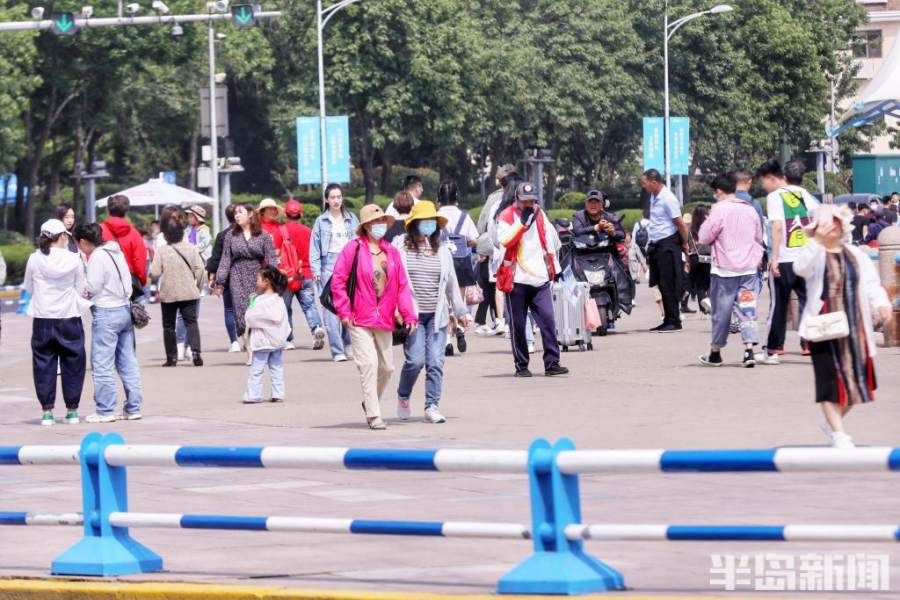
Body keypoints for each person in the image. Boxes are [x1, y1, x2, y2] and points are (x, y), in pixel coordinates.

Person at [793, 205, 892, 448]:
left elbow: (871, 283)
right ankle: (838, 433)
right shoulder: (813, 252)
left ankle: (831, 424)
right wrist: (815, 241)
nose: (832, 228)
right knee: (829, 383)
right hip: (823, 326)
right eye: (827, 223)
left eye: (836, 222)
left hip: (856, 326)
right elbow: (800, 268)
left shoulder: (855, 253)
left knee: (859, 383)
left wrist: (881, 304)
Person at [330, 204, 417, 430]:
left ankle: (370, 402)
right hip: (359, 317)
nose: (380, 226)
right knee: (368, 364)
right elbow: (338, 281)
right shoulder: (353, 249)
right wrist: (344, 311)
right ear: (366, 226)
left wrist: (409, 314)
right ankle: (373, 414)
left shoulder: (392, 252)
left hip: (384, 317)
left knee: (387, 368)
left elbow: (402, 287)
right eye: (375, 223)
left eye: (382, 223)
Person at [393, 201, 469, 424]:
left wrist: (461, 311)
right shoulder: (401, 249)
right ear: (413, 225)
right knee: (415, 361)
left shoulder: (443, 251)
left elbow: (451, 284)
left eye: (431, 223)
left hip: (438, 316)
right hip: (412, 316)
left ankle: (432, 405)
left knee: (436, 361)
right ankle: (403, 395)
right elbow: (395, 283)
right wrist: (397, 309)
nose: (427, 227)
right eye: (422, 223)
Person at [496, 182, 568, 378]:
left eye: (532, 200)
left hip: (539, 278)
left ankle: (552, 363)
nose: (529, 204)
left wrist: (556, 268)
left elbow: (549, 240)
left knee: (548, 320)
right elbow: (505, 240)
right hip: (516, 279)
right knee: (518, 325)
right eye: (525, 201)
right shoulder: (506, 216)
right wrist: (521, 223)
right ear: (517, 199)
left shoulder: (539, 213)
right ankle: (521, 365)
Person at [73, 223, 144, 422]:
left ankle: (105, 411)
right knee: (128, 362)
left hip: (106, 311)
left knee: (102, 363)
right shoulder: (116, 251)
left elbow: (93, 286)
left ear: (84, 241)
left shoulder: (97, 256)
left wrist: (81, 284)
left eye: (80, 245)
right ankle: (133, 407)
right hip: (124, 309)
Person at [696, 174, 765, 368]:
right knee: (748, 309)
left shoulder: (718, 210)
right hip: (748, 270)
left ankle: (715, 352)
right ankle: (749, 350)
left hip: (724, 271)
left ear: (718, 191)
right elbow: (759, 237)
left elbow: (704, 236)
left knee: (721, 312)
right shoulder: (750, 210)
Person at [755, 159, 819, 364]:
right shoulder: (806, 195)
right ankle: (809, 343)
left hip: (784, 259)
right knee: (808, 301)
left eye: (764, 181)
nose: (763, 186)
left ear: (776, 177)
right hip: (806, 258)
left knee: (778, 305)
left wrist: (773, 258)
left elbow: (777, 227)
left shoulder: (775, 197)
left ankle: (774, 348)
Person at [24, 219, 86, 426]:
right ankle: (72, 411)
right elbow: (80, 287)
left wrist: (43, 298)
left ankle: (47, 411)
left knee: (43, 363)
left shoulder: (34, 258)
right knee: (73, 363)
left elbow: (28, 286)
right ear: (62, 237)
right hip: (69, 316)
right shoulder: (75, 258)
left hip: (42, 318)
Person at [215, 203, 278, 365]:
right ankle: (250, 351)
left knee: (258, 314)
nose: (237, 215)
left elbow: (271, 258)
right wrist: (220, 282)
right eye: (235, 213)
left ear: (250, 214)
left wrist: (272, 279)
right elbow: (225, 260)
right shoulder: (230, 236)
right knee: (242, 315)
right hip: (237, 276)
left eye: (240, 212)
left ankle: (261, 347)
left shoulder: (263, 235)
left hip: (258, 277)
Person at [310, 183, 359, 362]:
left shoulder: (352, 218)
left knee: (350, 305)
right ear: (326, 200)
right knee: (330, 308)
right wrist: (315, 269)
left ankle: (347, 342)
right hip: (328, 264)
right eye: (332, 197)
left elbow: (359, 241)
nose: (336, 200)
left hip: (350, 263)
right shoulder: (321, 221)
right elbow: (314, 247)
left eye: (339, 197)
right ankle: (337, 350)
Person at [152, 207, 206, 367]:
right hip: (189, 291)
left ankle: (172, 357)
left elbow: (154, 272)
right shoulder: (191, 248)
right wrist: (198, 286)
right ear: (183, 233)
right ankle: (196, 352)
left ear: (166, 234)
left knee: (168, 326)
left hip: (169, 293)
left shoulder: (161, 250)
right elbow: (200, 269)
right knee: (192, 322)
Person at [641, 169, 689, 332]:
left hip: (668, 244)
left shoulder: (668, 198)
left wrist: (686, 244)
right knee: (661, 283)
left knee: (668, 283)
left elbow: (680, 223)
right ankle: (668, 319)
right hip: (657, 245)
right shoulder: (654, 197)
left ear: (654, 182)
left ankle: (675, 321)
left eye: (645, 183)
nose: (643, 186)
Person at [437, 180, 478, 354]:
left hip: (440, 262)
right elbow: (474, 239)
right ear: (456, 197)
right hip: (461, 263)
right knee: (458, 301)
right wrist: (464, 243)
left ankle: (447, 339)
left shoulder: (435, 216)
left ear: (438, 198)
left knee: (445, 303)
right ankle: (460, 329)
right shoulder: (464, 216)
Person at [474, 165, 516, 335]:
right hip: (519, 252)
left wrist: (482, 248)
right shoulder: (526, 195)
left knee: (498, 285)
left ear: (500, 181)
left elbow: (483, 225)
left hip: (498, 250)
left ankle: (501, 320)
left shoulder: (494, 199)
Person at [282, 199, 326, 350]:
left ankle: (288, 339)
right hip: (306, 273)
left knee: (285, 307)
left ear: (285, 213)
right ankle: (316, 328)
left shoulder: (282, 231)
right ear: (300, 214)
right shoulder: (308, 231)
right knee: (309, 305)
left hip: (287, 276)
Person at [243, 265, 291, 404]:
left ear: (266, 281)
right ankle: (278, 393)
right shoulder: (279, 300)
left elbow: (251, 317)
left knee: (256, 369)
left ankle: (253, 395)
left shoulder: (260, 300)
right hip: (277, 342)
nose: (256, 282)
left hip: (263, 342)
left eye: (258, 279)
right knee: (276, 367)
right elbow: (282, 321)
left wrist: (251, 304)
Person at [207, 204, 240, 352]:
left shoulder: (222, 235)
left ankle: (234, 342)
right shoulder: (249, 232)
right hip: (247, 275)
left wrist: (212, 277)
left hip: (227, 276)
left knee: (229, 309)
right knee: (248, 308)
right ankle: (249, 338)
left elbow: (215, 259)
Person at [100, 194, 148, 297]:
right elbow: (139, 262)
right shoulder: (134, 234)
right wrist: (141, 281)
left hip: (104, 285)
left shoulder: (99, 231)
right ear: (126, 211)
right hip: (128, 285)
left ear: (108, 210)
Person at [684, 205, 711, 315]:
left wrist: (687, 260)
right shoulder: (708, 227)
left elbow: (687, 244)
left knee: (699, 284)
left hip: (694, 258)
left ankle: (703, 308)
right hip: (707, 258)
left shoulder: (690, 229)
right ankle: (708, 305)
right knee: (708, 283)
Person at [629, 210, 651, 284]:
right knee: (646, 260)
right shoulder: (651, 224)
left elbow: (634, 236)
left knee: (638, 261)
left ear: (642, 215)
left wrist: (633, 246)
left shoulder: (637, 224)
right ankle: (648, 276)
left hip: (638, 245)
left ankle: (637, 276)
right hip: (647, 245)